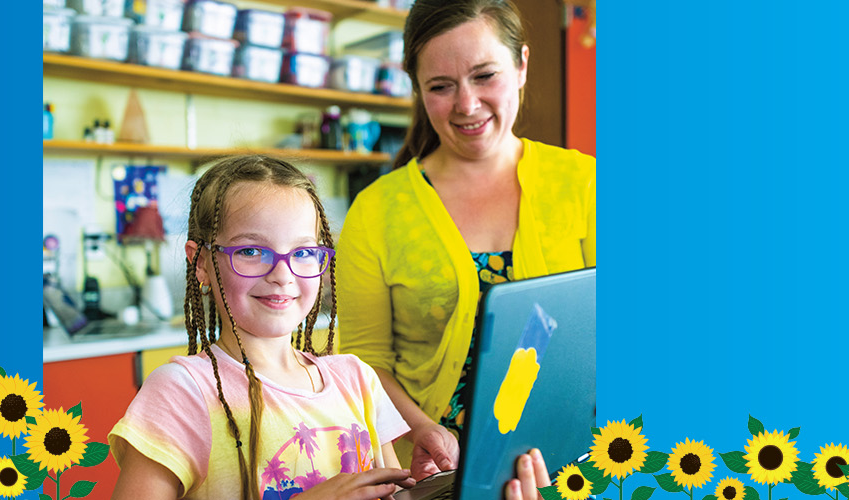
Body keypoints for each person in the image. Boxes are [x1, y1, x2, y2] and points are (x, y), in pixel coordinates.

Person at [337, 0, 598, 487]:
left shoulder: (587, 185)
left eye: (485, 76)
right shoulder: (376, 211)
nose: (467, 104)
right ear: (418, 89)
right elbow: (363, 365)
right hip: (435, 476)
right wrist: (423, 431)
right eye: (440, 86)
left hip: (574, 465)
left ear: (521, 65)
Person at [108, 155, 414, 500]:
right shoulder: (183, 392)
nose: (282, 274)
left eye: (302, 252)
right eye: (252, 250)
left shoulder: (357, 380)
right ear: (202, 263)